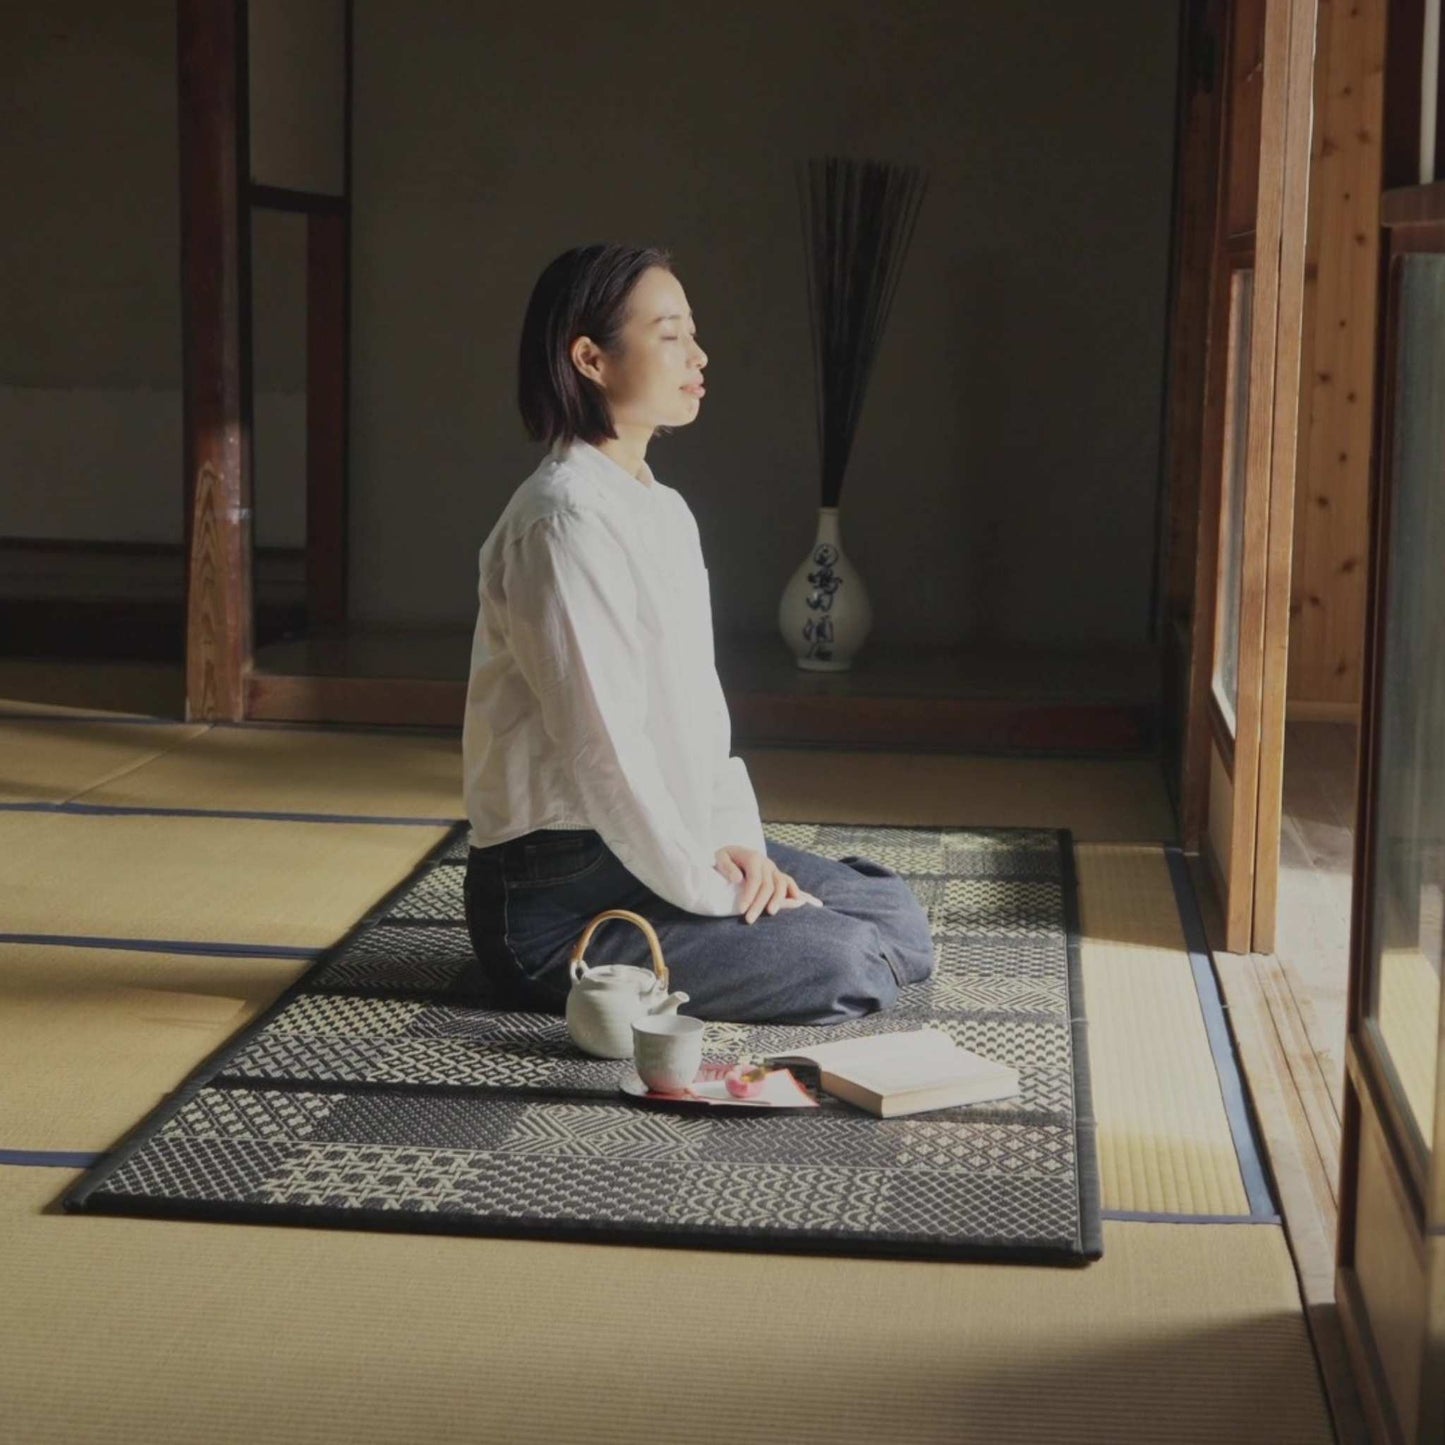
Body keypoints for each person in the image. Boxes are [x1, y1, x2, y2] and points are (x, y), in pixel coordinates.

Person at [461, 242, 935, 1023]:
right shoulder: (560, 523)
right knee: (843, 958)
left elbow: (696, 721)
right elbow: (602, 752)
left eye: (692, 331)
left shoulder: (662, 509)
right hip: (558, 899)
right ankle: (792, 937)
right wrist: (718, 887)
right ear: (589, 358)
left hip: (659, 846)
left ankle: (795, 925)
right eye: (671, 333)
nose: (698, 354)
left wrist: (737, 848)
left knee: (889, 911)